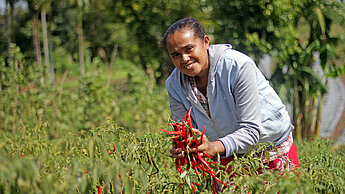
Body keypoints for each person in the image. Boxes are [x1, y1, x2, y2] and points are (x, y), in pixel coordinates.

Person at [163, 17, 299, 172]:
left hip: (269, 148)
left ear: (205, 42)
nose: (184, 59)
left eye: (189, 49)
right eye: (175, 55)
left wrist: (213, 146)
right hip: (226, 152)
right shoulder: (174, 84)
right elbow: (185, 130)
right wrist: (183, 145)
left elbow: (251, 130)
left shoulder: (237, 66)